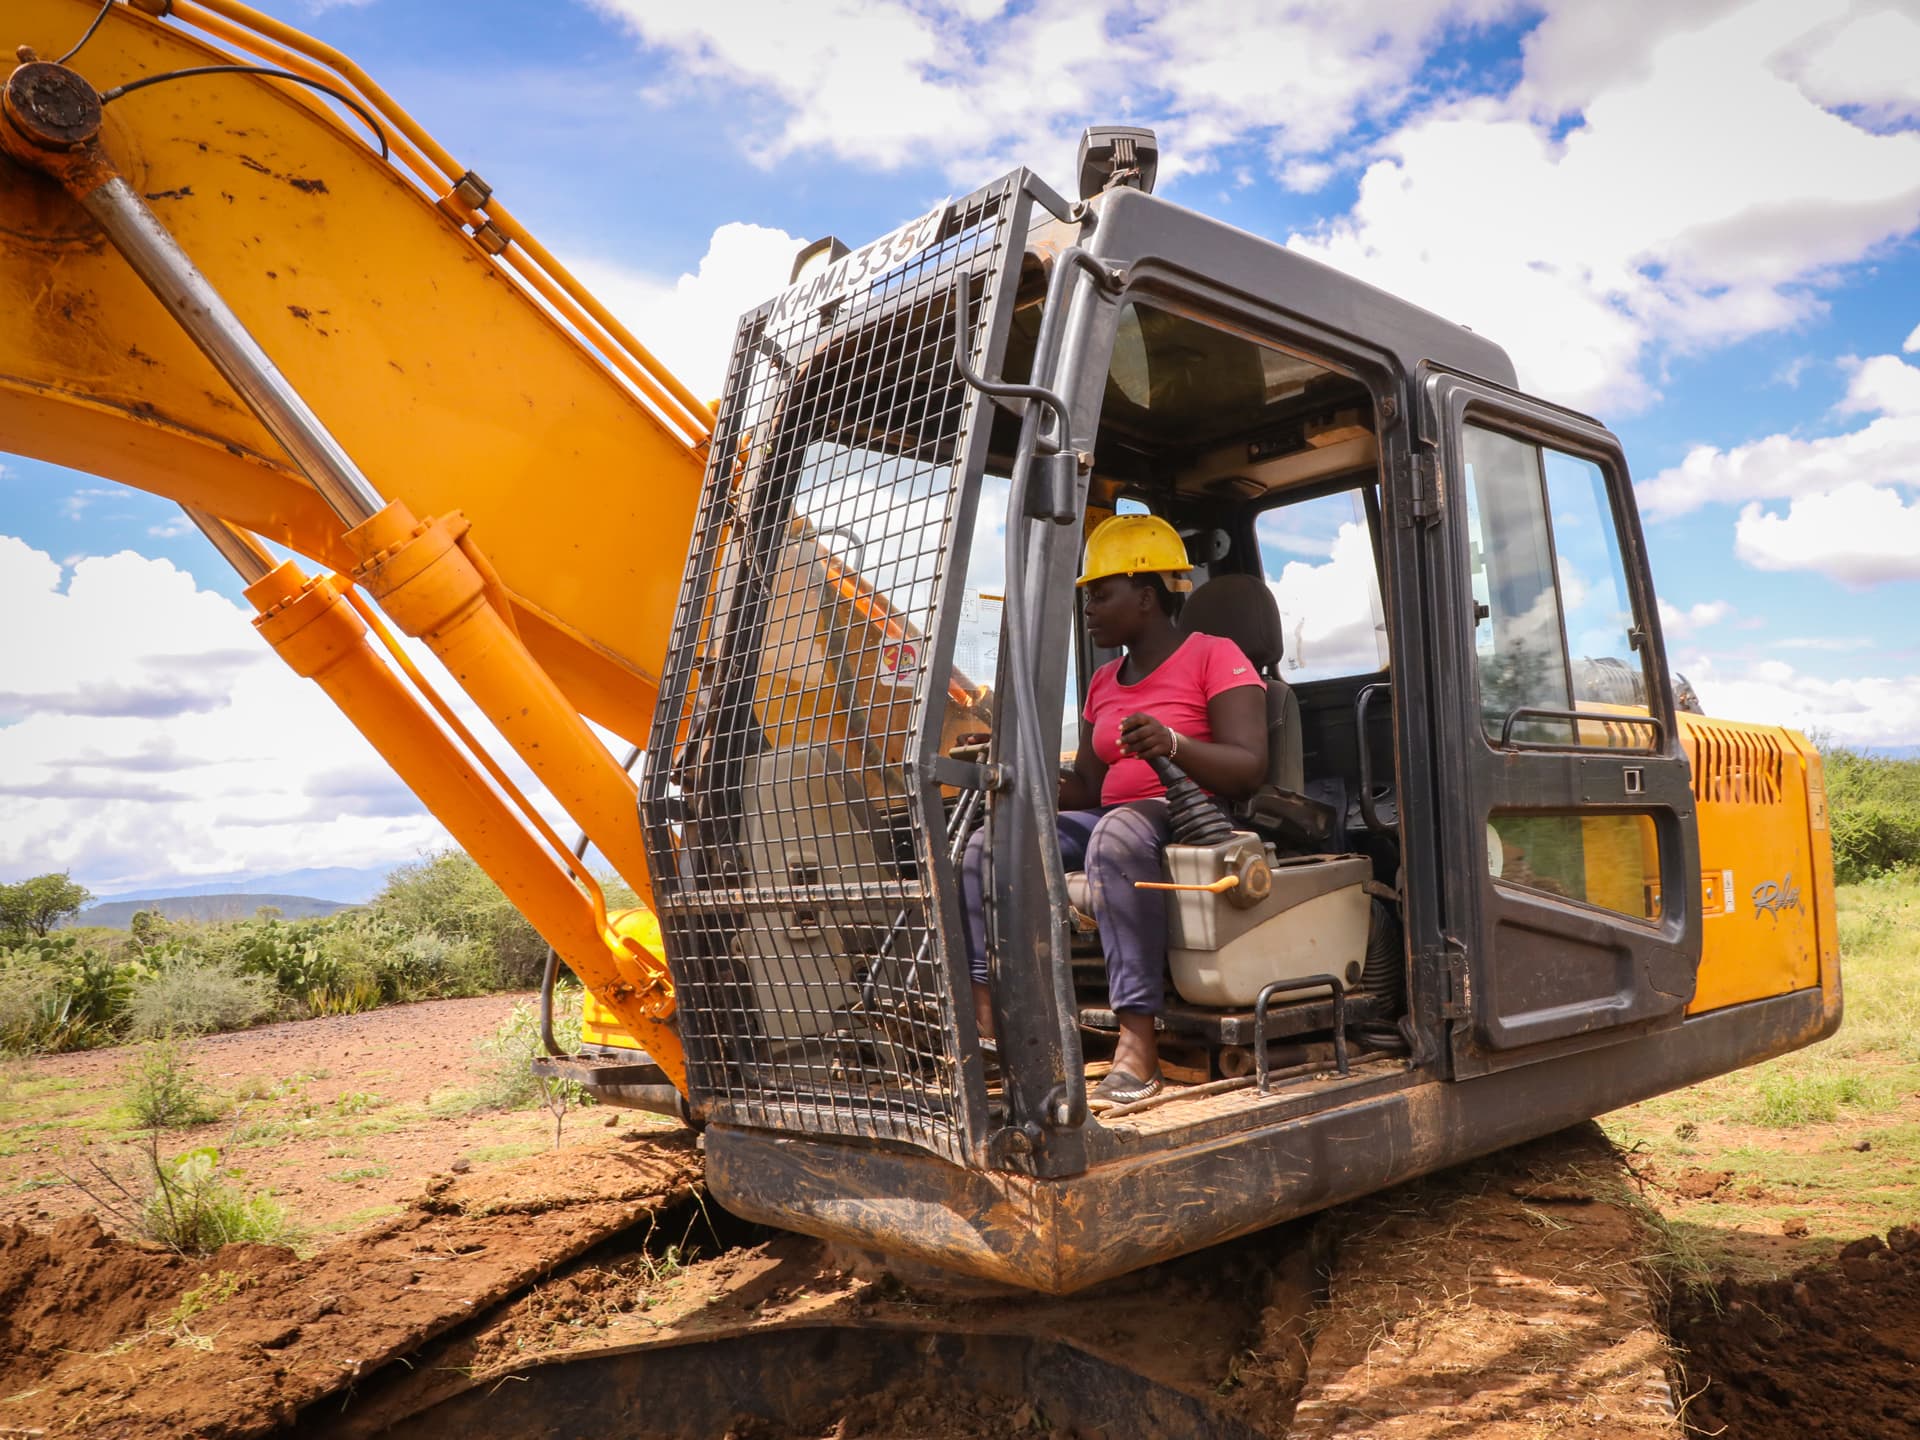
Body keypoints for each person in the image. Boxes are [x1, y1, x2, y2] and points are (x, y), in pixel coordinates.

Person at [962, 514, 1269, 1108]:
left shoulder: (1214, 655)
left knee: (1120, 834)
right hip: (1112, 819)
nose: (1089, 609)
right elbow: (1086, 789)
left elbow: (1248, 767)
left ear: (1147, 598)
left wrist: (1173, 744)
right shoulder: (1105, 680)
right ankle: (986, 1029)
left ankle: (1138, 1046)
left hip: (1186, 816)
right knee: (990, 843)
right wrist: (1015, 766)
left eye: (1101, 595)